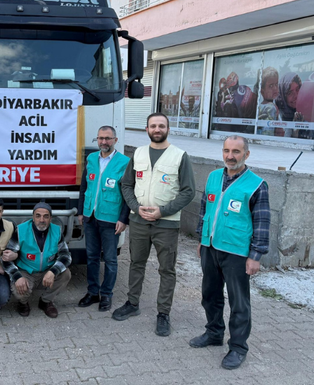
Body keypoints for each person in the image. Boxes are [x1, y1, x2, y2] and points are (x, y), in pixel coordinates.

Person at [191, 136, 270, 370]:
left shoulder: (256, 185)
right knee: (210, 295)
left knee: (239, 302)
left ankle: (237, 347)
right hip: (211, 247)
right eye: (226, 150)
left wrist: (255, 255)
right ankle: (214, 333)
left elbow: (262, 222)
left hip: (237, 252)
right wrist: (201, 239)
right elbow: (205, 209)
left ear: (246, 154)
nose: (230, 156)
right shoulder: (213, 177)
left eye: (236, 151)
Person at [115, 113, 195, 337]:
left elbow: (188, 191)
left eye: (161, 125)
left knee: (166, 269)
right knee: (136, 263)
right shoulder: (138, 154)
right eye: (153, 125)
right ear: (147, 129)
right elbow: (126, 184)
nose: (157, 129)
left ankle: (163, 314)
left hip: (166, 224)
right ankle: (132, 303)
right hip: (138, 221)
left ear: (168, 128)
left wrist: (163, 211)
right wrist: (134, 206)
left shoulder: (179, 156)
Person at [75, 126, 130, 312]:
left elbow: (128, 194)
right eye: (100, 138)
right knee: (91, 257)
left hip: (111, 220)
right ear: (97, 140)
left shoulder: (125, 162)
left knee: (110, 259)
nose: (104, 142)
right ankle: (92, 292)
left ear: (115, 140)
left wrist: (124, 219)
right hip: (91, 217)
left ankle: (106, 294)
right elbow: (84, 187)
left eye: (108, 138)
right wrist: (82, 212)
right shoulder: (91, 159)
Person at [2, 201, 72, 318]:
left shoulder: (57, 231)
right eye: (38, 216)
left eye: (46, 216)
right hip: (26, 271)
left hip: (47, 270)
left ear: (50, 219)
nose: (42, 220)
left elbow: (66, 256)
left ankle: (45, 302)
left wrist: (53, 272)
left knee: (66, 274)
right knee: (19, 290)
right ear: (33, 218)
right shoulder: (21, 230)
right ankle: (23, 303)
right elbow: (6, 259)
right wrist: (17, 277)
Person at [256, 67, 281, 136]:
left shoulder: (259, 106)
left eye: (276, 84)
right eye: (271, 86)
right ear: (262, 90)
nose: (275, 88)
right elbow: (268, 133)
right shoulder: (271, 108)